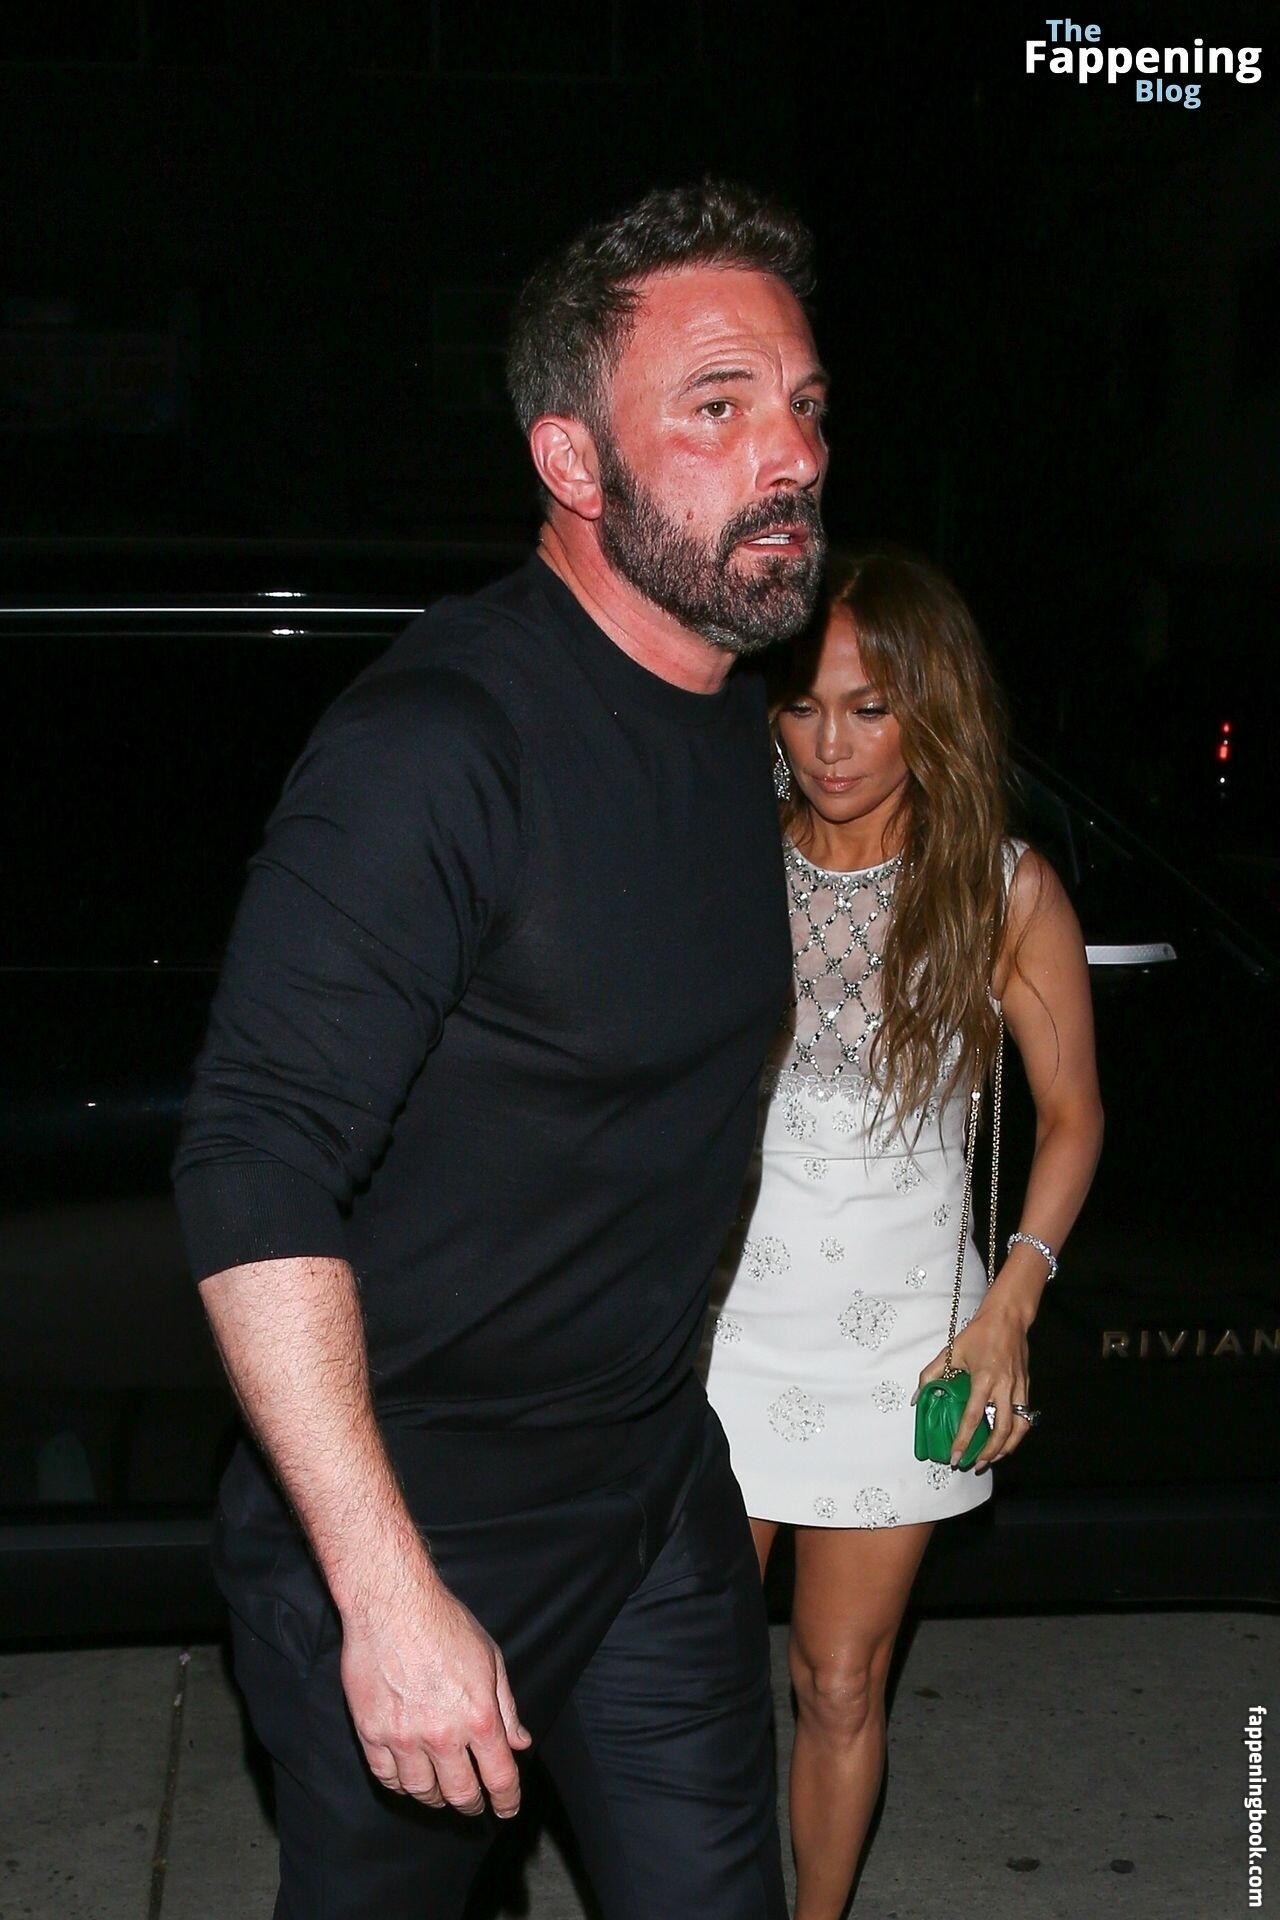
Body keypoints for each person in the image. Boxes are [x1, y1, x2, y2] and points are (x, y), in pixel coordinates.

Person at [172, 179, 830, 1920]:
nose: (790, 454)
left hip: (649, 1493)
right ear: (570, 462)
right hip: (411, 1526)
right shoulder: (438, 747)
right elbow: (250, 1161)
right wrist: (385, 1597)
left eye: (802, 404)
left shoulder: (726, 720)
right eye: (718, 408)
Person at [703, 551, 1104, 1920]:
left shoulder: (999, 888)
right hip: (721, 1336)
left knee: (839, 1678)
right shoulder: (724, 860)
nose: (830, 743)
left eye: (870, 709)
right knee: (685, 1680)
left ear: (930, 712)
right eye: (803, 705)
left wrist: (1009, 1309)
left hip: (903, 1343)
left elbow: (1072, 1118)